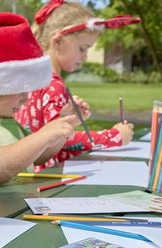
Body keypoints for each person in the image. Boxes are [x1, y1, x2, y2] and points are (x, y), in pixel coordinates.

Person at [0, 13, 82, 203]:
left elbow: (38, 155)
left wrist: (63, 126)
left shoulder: (7, 120)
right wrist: (43, 135)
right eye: (21, 90)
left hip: (6, 210)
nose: (26, 99)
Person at [15, 0, 140, 171]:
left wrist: (68, 118)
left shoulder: (31, 80)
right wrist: (114, 136)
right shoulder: (54, 86)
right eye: (83, 48)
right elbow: (62, 138)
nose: (85, 57)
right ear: (58, 41)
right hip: (45, 178)